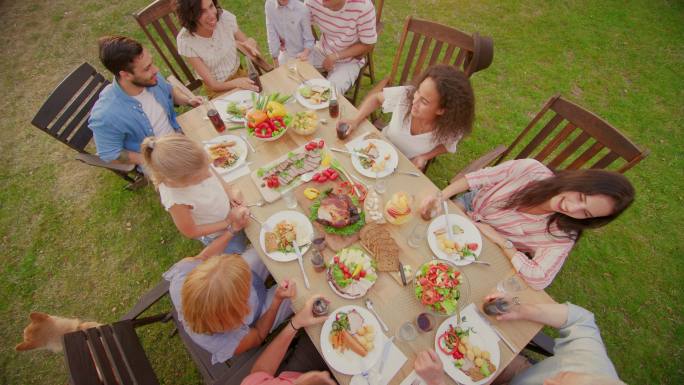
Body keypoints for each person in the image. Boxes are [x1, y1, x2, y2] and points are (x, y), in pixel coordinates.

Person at [420, 159, 635, 289]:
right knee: (419, 237)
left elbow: (539, 278)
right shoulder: (532, 171)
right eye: (580, 197)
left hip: (487, 249)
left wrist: (502, 242)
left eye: (585, 213)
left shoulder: (562, 236)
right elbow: (478, 178)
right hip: (468, 206)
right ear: (580, 181)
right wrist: (441, 195)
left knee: (441, 278)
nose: (571, 208)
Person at [413, 296, 627, 385]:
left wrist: (436, 381)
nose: (547, 382)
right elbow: (582, 320)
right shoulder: (594, 369)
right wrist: (522, 309)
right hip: (519, 374)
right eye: (563, 376)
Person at [141, 135, 265, 274]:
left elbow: (215, 176)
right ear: (182, 181)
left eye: (207, 167)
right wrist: (228, 222)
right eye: (201, 177)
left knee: (249, 232)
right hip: (219, 233)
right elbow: (191, 231)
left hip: (230, 215)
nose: (209, 174)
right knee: (236, 252)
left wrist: (229, 191)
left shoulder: (197, 162)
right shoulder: (175, 199)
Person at [164, 247, 294, 364]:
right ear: (238, 314)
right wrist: (277, 301)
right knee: (297, 293)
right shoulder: (226, 342)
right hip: (261, 314)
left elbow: (203, 257)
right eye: (244, 292)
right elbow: (259, 334)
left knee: (268, 247)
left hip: (232, 287)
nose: (249, 283)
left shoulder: (180, 280)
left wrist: (231, 231)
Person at [89, 35, 202, 166]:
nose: (156, 70)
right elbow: (110, 153)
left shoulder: (151, 78)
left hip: (182, 135)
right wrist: (151, 161)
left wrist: (188, 100)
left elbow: (169, 90)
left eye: (151, 63)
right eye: (147, 68)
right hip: (161, 160)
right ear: (125, 74)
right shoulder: (106, 115)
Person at [342, 64, 474, 170]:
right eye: (418, 91)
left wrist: (425, 157)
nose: (414, 101)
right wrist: (355, 120)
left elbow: (448, 145)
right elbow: (376, 99)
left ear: (441, 110)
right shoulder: (406, 96)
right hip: (377, 149)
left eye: (424, 101)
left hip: (405, 167)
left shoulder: (451, 128)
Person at [241, 296, 335, 385]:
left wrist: (295, 323)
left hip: (296, 373)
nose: (324, 374)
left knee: (319, 331)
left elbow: (260, 372)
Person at [176, 0, 262, 97]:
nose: (212, 15)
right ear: (190, 16)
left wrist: (252, 43)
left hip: (241, 77)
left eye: (211, 6)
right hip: (219, 91)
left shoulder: (224, 18)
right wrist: (236, 83)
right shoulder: (186, 40)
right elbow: (214, 85)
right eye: (202, 11)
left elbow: (253, 51)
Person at [304, 0, 377, 94]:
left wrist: (335, 56)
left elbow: (368, 44)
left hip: (348, 60)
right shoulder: (312, 2)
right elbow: (300, 26)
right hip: (322, 50)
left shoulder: (363, 6)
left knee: (329, 95)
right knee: (288, 66)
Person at [265, 0, 315, 67]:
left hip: (303, 55)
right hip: (285, 54)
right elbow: (271, 33)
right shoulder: (269, 4)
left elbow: (309, 40)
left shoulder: (302, 9)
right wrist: (275, 61)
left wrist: (304, 54)